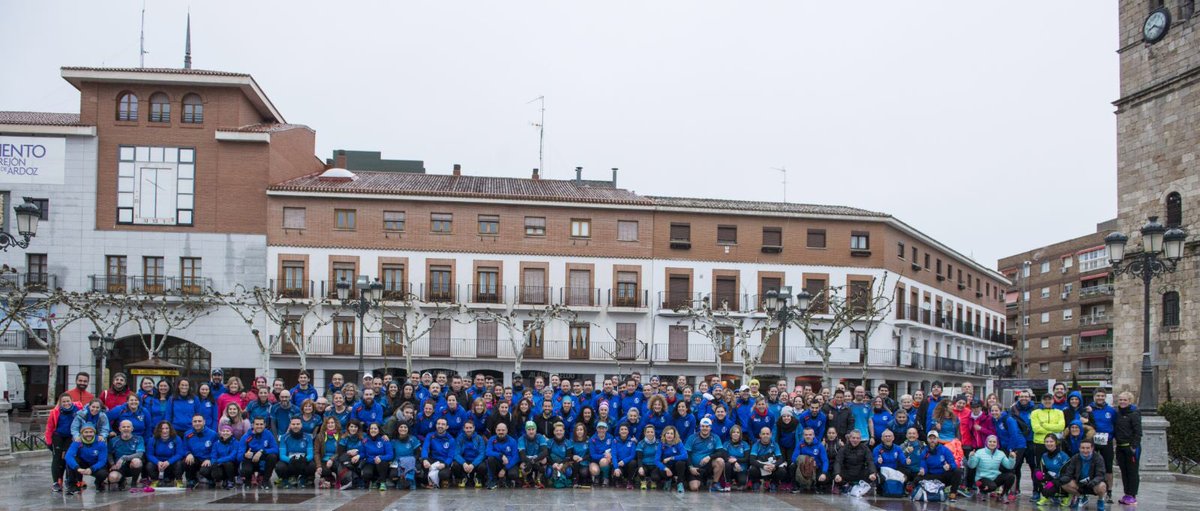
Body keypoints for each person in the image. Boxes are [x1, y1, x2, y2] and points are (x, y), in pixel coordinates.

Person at [1085, 389, 1117, 504]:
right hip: (1092, 441)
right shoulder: (1088, 409)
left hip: (1106, 441)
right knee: (1088, 465)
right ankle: (1086, 491)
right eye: (1098, 396)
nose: (1100, 398)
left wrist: (1112, 437)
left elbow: (1115, 424)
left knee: (1108, 467)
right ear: (1094, 397)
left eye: (1102, 396)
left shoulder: (1111, 411)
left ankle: (1109, 492)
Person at [46, 394, 83, 492]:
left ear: (72, 401)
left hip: (70, 436)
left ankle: (69, 479)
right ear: (60, 403)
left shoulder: (78, 409)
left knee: (68, 457)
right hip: (58, 436)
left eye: (68, 401)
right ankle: (56, 481)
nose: (66, 403)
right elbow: (49, 427)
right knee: (57, 458)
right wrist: (49, 442)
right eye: (64, 402)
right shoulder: (55, 412)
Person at [1060, 439, 1108, 510]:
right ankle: (1080, 497)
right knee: (1064, 484)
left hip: (1093, 484)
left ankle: (1100, 500)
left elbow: (1100, 475)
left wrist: (1093, 482)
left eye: (1087, 448)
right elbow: (1069, 473)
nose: (1085, 450)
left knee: (1102, 486)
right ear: (1079, 448)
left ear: (1092, 448)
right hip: (1079, 484)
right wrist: (1061, 480)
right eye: (1083, 448)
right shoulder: (1075, 457)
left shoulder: (1098, 458)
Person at [967, 434, 1017, 501]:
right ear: (986, 442)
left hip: (994, 477)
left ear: (997, 443)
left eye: (994, 442)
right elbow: (972, 466)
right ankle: (983, 491)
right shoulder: (979, 452)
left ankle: (1003, 494)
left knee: (1011, 476)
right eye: (990, 441)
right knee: (992, 486)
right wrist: (971, 457)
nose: (992, 443)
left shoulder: (1001, 453)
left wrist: (1012, 458)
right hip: (982, 478)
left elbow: (1009, 466)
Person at [1113, 391, 1142, 506]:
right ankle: (1127, 494)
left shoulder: (1134, 413)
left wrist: (1134, 446)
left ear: (1130, 401)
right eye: (1120, 400)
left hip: (1131, 448)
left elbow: (1138, 432)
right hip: (1120, 447)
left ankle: (1132, 495)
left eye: (1125, 400)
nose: (1122, 402)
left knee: (1132, 472)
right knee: (1124, 472)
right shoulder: (1118, 413)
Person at [63, 424, 108, 495]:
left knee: (103, 473)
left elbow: (102, 461)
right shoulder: (78, 441)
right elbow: (68, 456)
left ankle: (98, 483)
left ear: (94, 433)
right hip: (82, 464)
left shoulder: (100, 442)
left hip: (94, 465)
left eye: (91, 432)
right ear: (82, 433)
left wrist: (92, 469)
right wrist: (77, 468)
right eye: (86, 432)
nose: (89, 434)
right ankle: (73, 485)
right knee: (71, 462)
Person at [917, 431, 960, 503]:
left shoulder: (945, 450)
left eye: (934, 438)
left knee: (957, 471)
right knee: (917, 479)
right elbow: (923, 465)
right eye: (930, 438)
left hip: (943, 475)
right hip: (932, 476)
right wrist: (923, 471)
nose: (932, 440)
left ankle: (953, 493)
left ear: (938, 439)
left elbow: (953, 463)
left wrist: (949, 466)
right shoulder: (924, 451)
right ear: (927, 440)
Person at [684, 417, 724, 492]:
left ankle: (714, 483)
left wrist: (709, 457)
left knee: (720, 461)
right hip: (695, 468)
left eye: (707, 426)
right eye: (703, 426)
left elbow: (720, 452)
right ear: (700, 427)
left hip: (708, 466)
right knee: (694, 488)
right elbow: (686, 454)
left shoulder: (715, 437)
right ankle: (699, 481)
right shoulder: (692, 438)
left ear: (710, 428)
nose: (705, 428)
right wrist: (690, 467)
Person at [239, 416, 280, 489]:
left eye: (261, 424)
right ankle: (248, 481)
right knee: (245, 467)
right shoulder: (246, 436)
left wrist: (262, 451)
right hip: (250, 459)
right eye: (257, 424)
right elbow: (238, 456)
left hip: (262, 459)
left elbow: (276, 449)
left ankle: (265, 481)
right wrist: (245, 455)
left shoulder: (268, 434)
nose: (259, 426)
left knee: (273, 456)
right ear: (253, 425)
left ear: (264, 425)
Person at [277, 416, 316, 488]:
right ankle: (285, 479)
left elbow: (310, 454)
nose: (295, 426)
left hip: (302, 461)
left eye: (298, 424)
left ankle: (304, 478)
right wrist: (290, 460)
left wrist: (305, 459)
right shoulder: (283, 437)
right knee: (279, 466)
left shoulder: (308, 437)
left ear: (301, 425)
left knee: (312, 465)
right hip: (290, 462)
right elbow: (282, 455)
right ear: (290, 425)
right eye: (293, 424)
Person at [106, 420, 145, 491]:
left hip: (132, 465)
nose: (126, 428)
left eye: (128, 427)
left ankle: (134, 482)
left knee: (136, 461)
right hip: (119, 466)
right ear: (119, 429)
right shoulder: (114, 440)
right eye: (123, 427)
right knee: (112, 478)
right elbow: (109, 453)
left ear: (132, 429)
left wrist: (124, 458)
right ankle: (122, 480)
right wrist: (112, 464)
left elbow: (140, 454)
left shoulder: (139, 439)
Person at [182, 414, 218, 488]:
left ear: (204, 422)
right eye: (195, 421)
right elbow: (185, 448)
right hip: (195, 458)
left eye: (199, 421)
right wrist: (188, 453)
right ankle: (192, 479)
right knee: (186, 461)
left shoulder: (213, 434)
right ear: (192, 423)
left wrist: (209, 459)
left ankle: (211, 479)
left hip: (207, 459)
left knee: (204, 471)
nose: (197, 423)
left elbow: (216, 450)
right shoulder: (187, 434)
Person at [1035, 434, 1071, 507]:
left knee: (1050, 489)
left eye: (1051, 441)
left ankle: (1067, 495)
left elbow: (1067, 474)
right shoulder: (1044, 455)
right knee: (1037, 476)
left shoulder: (1063, 456)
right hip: (1052, 477)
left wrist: (1054, 482)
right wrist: (1038, 472)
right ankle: (1048, 496)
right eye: (1047, 442)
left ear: (1056, 442)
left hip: (1062, 479)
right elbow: (1041, 468)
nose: (1049, 443)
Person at [147, 421, 185, 488]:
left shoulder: (176, 438)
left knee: (179, 463)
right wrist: (158, 462)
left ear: (170, 429)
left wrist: (169, 462)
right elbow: (149, 455)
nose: (164, 431)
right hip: (159, 465)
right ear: (158, 430)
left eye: (167, 428)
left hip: (171, 464)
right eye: (162, 428)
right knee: (149, 465)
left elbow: (180, 454)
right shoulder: (153, 439)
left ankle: (179, 480)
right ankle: (155, 480)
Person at [792, 426, 829, 494]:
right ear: (803, 435)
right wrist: (807, 462)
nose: (808, 436)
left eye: (810, 435)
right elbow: (794, 458)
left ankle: (816, 486)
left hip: (816, 468)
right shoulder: (800, 444)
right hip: (803, 467)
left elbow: (825, 461)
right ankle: (797, 485)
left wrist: (824, 473)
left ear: (813, 435)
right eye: (806, 435)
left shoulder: (819, 445)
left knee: (825, 477)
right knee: (792, 466)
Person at [748, 426, 785, 492]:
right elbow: (752, 460)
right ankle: (756, 482)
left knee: (782, 470)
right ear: (760, 435)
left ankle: (774, 483)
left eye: (767, 434)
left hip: (771, 466)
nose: (765, 436)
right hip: (761, 466)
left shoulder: (775, 444)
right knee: (752, 469)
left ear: (771, 435)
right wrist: (763, 466)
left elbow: (780, 459)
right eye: (763, 434)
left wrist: (774, 465)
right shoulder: (756, 445)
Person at [421, 417, 455, 488]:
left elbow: (451, 456)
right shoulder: (430, 435)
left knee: (443, 475)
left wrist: (445, 464)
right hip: (433, 460)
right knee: (422, 466)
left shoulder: (451, 439)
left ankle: (447, 480)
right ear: (436, 425)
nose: (440, 426)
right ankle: (429, 482)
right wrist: (425, 459)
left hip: (444, 461)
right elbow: (425, 448)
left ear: (447, 427)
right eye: (438, 424)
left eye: (443, 424)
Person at [484, 422, 519, 489]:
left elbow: (516, 457)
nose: (501, 432)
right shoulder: (492, 439)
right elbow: (488, 452)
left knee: (513, 474)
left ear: (507, 431)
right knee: (490, 459)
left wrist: (504, 469)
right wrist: (501, 455)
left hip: (509, 463)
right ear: (496, 431)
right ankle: (493, 480)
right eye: (499, 430)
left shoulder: (512, 441)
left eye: (503, 430)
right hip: (498, 462)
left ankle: (508, 480)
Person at [454, 420, 486, 488]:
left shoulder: (479, 438)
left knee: (483, 467)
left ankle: (477, 478)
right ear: (464, 428)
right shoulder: (460, 438)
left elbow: (482, 454)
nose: (468, 430)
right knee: (455, 465)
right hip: (464, 461)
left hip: (475, 462)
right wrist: (463, 463)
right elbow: (456, 453)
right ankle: (463, 477)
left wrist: (473, 464)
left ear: (474, 428)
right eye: (467, 428)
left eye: (470, 428)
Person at [362, 421, 393, 491]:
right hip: (370, 462)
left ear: (379, 430)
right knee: (366, 474)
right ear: (369, 430)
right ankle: (374, 481)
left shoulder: (384, 439)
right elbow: (363, 453)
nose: (373, 430)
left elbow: (390, 455)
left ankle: (382, 482)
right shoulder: (365, 440)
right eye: (371, 428)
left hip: (381, 463)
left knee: (381, 463)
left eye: (375, 429)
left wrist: (380, 457)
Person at [391, 421, 422, 490]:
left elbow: (418, 453)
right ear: (397, 429)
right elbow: (392, 454)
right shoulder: (394, 441)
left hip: (411, 460)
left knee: (416, 467)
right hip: (398, 461)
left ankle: (411, 481)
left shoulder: (413, 439)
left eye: (405, 427)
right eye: (401, 427)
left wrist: (411, 460)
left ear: (408, 429)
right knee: (393, 474)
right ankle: (400, 481)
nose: (403, 429)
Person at [335, 420, 365, 490]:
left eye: (355, 427)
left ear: (358, 428)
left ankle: (353, 480)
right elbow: (340, 453)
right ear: (348, 428)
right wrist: (349, 452)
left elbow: (367, 450)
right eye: (351, 426)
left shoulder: (363, 437)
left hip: (360, 457)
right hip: (347, 458)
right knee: (342, 461)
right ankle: (352, 479)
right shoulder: (344, 438)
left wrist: (358, 453)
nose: (353, 429)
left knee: (357, 462)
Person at [210, 425, 241, 489]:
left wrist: (219, 461)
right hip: (219, 464)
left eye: (227, 431)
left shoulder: (236, 443)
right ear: (220, 433)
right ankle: (219, 479)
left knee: (228, 464)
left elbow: (232, 456)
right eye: (223, 431)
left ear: (231, 433)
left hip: (232, 465)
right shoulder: (216, 443)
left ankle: (230, 481)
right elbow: (213, 455)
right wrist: (214, 462)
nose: (225, 432)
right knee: (214, 469)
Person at [722, 424, 750, 491]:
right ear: (731, 434)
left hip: (741, 468)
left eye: (738, 432)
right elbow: (725, 457)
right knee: (727, 464)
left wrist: (736, 459)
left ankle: (737, 482)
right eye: (734, 432)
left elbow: (746, 458)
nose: (736, 434)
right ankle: (728, 483)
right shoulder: (726, 444)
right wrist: (734, 462)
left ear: (740, 434)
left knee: (742, 482)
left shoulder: (745, 444)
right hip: (730, 468)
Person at [587, 420, 615, 487]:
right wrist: (604, 455)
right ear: (597, 429)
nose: (601, 430)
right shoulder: (592, 439)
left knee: (603, 461)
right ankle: (597, 477)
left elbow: (613, 449)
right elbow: (593, 455)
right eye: (599, 428)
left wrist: (610, 455)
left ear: (606, 429)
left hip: (606, 460)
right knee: (594, 470)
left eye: (603, 428)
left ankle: (605, 477)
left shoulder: (610, 437)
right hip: (595, 460)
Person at [611, 423, 639, 490]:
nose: (623, 431)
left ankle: (630, 481)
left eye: (625, 429)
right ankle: (619, 480)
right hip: (618, 464)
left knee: (633, 462)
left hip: (628, 464)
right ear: (619, 431)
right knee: (616, 474)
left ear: (628, 431)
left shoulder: (632, 441)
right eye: (622, 429)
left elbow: (633, 455)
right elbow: (613, 455)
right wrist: (616, 467)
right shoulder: (615, 441)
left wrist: (624, 461)